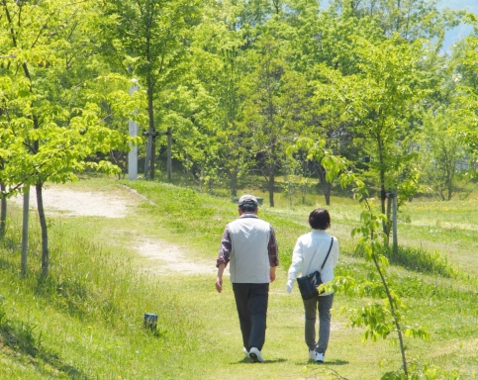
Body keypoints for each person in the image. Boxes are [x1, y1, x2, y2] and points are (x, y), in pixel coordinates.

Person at [216, 194, 279, 363]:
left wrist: (219, 276)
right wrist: (272, 270)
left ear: (239, 211)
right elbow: (273, 252)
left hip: (239, 278)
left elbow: (224, 253)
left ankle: (249, 346)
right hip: (260, 277)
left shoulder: (231, 227)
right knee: (259, 313)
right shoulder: (266, 227)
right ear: (257, 210)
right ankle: (255, 347)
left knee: (244, 314)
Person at [286, 208, 339, 364]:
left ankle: (311, 348)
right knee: (325, 317)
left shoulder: (303, 239)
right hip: (327, 283)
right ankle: (321, 352)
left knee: (310, 317)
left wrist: (290, 279)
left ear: (310, 220)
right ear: (327, 222)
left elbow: (296, 262)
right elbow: (334, 261)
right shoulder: (332, 241)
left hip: (308, 284)